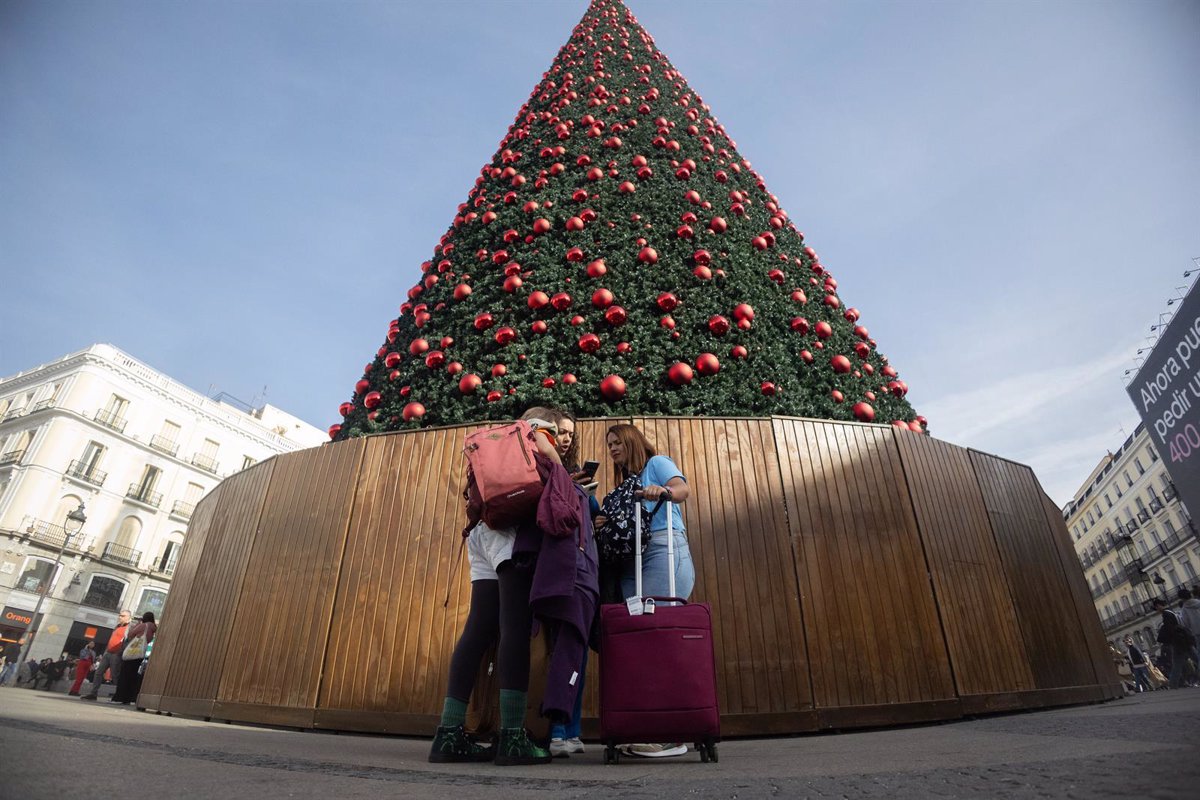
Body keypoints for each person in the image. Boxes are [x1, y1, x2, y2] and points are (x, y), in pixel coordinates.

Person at [429, 408, 567, 766]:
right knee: (515, 629)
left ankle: (448, 734)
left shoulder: (500, 438)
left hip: (481, 531)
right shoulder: (537, 431)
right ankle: (512, 737)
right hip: (509, 532)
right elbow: (560, 480)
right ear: (541, 423)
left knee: (478, 629)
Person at [602, 423, 693, 758]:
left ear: (631, 441)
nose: (612, 449)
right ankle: (648, 726)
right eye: (608, 444)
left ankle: (671, 734)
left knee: (656, 637)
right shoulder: (624, 483)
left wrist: (661, 491)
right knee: (639, 641)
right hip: (633, 560)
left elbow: (681, 489)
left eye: (617, 442)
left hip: (662, 551)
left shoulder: (655, 464)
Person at [81, 609, 131, 701]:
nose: (120, 617)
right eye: (120, 615)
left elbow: (127, 642)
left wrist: (120, 652)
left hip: (116, 654)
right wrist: (106, 651)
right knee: (98, 673)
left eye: (123, 616)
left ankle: (119, 696)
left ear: (128, 617)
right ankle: (93, 693)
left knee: (115, 675)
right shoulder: (117, 626)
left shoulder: (129, 628)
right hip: (108, 653)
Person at [111, 612, 156, 705]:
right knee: (133, 676)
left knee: (124, 675)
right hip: (140, 654)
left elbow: (131, 634)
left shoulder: (143, 625)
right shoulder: (153, 627)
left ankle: (119, 697)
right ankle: (129, 697)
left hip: (133, 653)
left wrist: (137, 625)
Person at [1153, 598, 1195, 689]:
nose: (1157, 610)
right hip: (1183, 639)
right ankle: (1174, 683)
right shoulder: (1171, 612)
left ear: (1158, 606)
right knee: (1182, 661)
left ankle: (1173, 683)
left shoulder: (1166, 614)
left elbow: (1170, 628)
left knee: (1178, 662)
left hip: (1178, 641)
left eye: (1156, 607)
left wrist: (1168, 639)